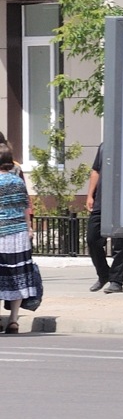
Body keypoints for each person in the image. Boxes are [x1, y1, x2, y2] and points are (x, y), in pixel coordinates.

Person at [0, 142, 39, 334]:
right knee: (18, 277)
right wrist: (28, 228)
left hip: (1, 235)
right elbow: (26, 207)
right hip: (19, 235)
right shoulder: (18, 182)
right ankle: (14, 320)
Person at [84, 145, 123, 294]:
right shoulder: (104, 146)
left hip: (122, 201)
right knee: (92, 239)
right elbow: (96, 170)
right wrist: (90, 195)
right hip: (101, 201)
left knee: (119, 243)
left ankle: (116, 281)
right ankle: (103, 274)